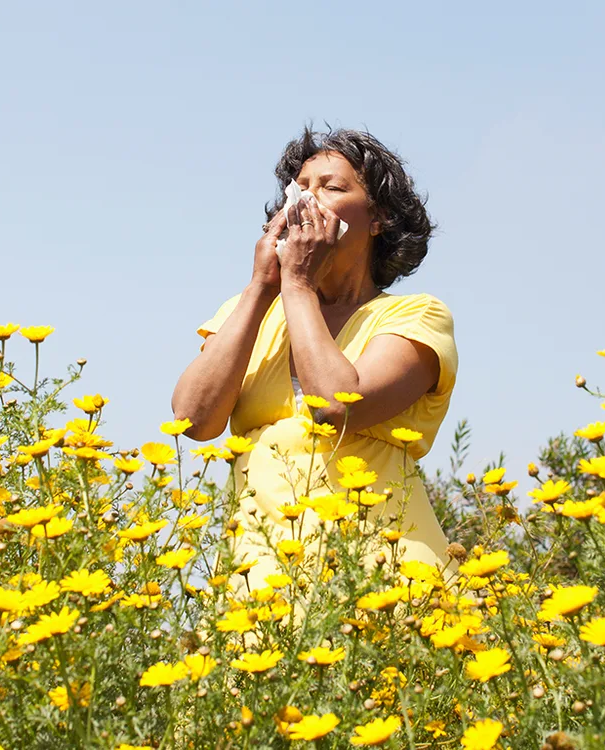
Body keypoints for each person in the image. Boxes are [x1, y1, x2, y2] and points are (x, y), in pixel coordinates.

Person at [171, 127, 458, 594]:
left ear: (378, 218)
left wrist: (299, 285)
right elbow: (192, 420)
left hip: (380, 574)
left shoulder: (415, 315)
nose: (308, 199)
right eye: (301, 187)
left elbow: (337, 408)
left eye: (332, 187)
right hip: (260, 579)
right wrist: (263, 286)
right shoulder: (251, 311)